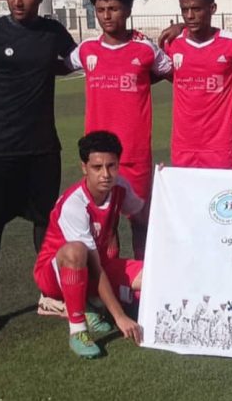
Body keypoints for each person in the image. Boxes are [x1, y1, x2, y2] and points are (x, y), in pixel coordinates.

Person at [0, 0, 77, 334]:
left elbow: (78, 59)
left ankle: (49, 295)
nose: (17, 1)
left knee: (45, 224)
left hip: (41, 149)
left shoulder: (53, 33)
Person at [65, 0, 172, 260]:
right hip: (99, 155)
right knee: (105, 224)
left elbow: (171, 70)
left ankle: (143, 279)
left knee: (140, 221)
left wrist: (179, 29)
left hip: (134, 152)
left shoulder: (145, 50)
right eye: (100, 10)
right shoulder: (86, 50)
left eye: (113, 8)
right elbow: (58, 63)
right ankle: (110, 279)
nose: (106, 15)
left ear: (127, 10)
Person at [33, 131, 144, 358]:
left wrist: (165, 185)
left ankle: (90, 303)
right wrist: (120, 316)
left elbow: (142, 214)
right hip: (55, 274)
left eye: (111, 166)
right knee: (76, 251)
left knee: (152, 275)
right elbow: (93, 265)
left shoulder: (120, 187)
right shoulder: (74, 204)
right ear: (84, 168)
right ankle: (78, 330)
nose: (106, 174)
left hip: (98, 266)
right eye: (97, 167)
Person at [163, 0, 232, 169]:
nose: (189, 15)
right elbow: (165, 73)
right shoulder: (172, 43)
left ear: (212, 8)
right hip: (183, 146)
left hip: (220, 147)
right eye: (184, 10)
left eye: (196, 9)